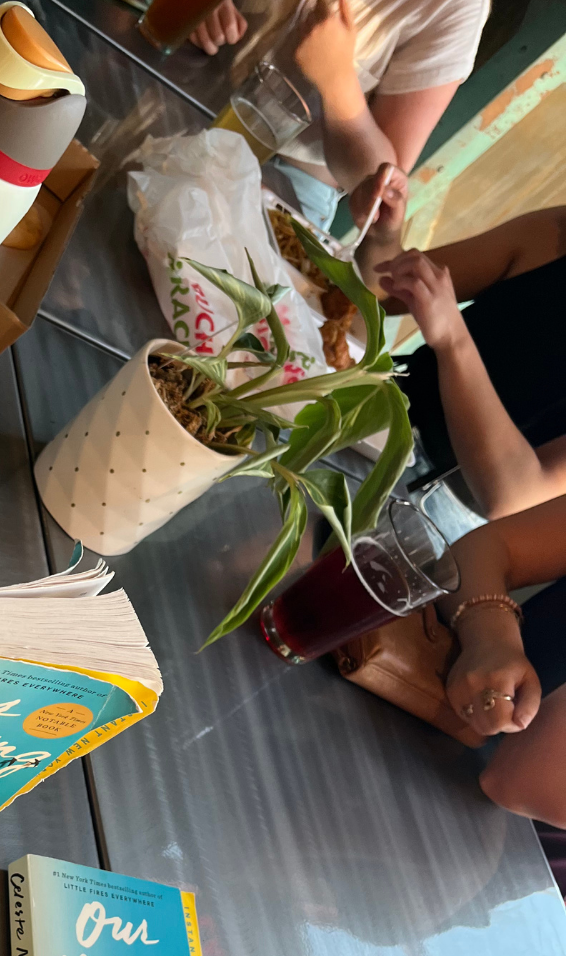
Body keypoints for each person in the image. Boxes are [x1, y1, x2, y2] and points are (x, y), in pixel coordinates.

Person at [370, 240, 566, 830]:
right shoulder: (554, 232)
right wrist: (490, 628)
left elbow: (516, 779)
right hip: (369, 437)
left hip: (451, 787)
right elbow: (380, 283)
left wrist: (451, 336)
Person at [353, 163, 566, 501]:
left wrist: (453, 340)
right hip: (379, 406)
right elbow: (385, 291)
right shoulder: (556, 231)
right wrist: (382, 236)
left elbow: (514, 495)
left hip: (434, 509)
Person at [191, 0, 489, 230]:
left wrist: (337, 81)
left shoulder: (457, 9)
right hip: (193, 84)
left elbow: (377, 186)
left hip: (293, 177)